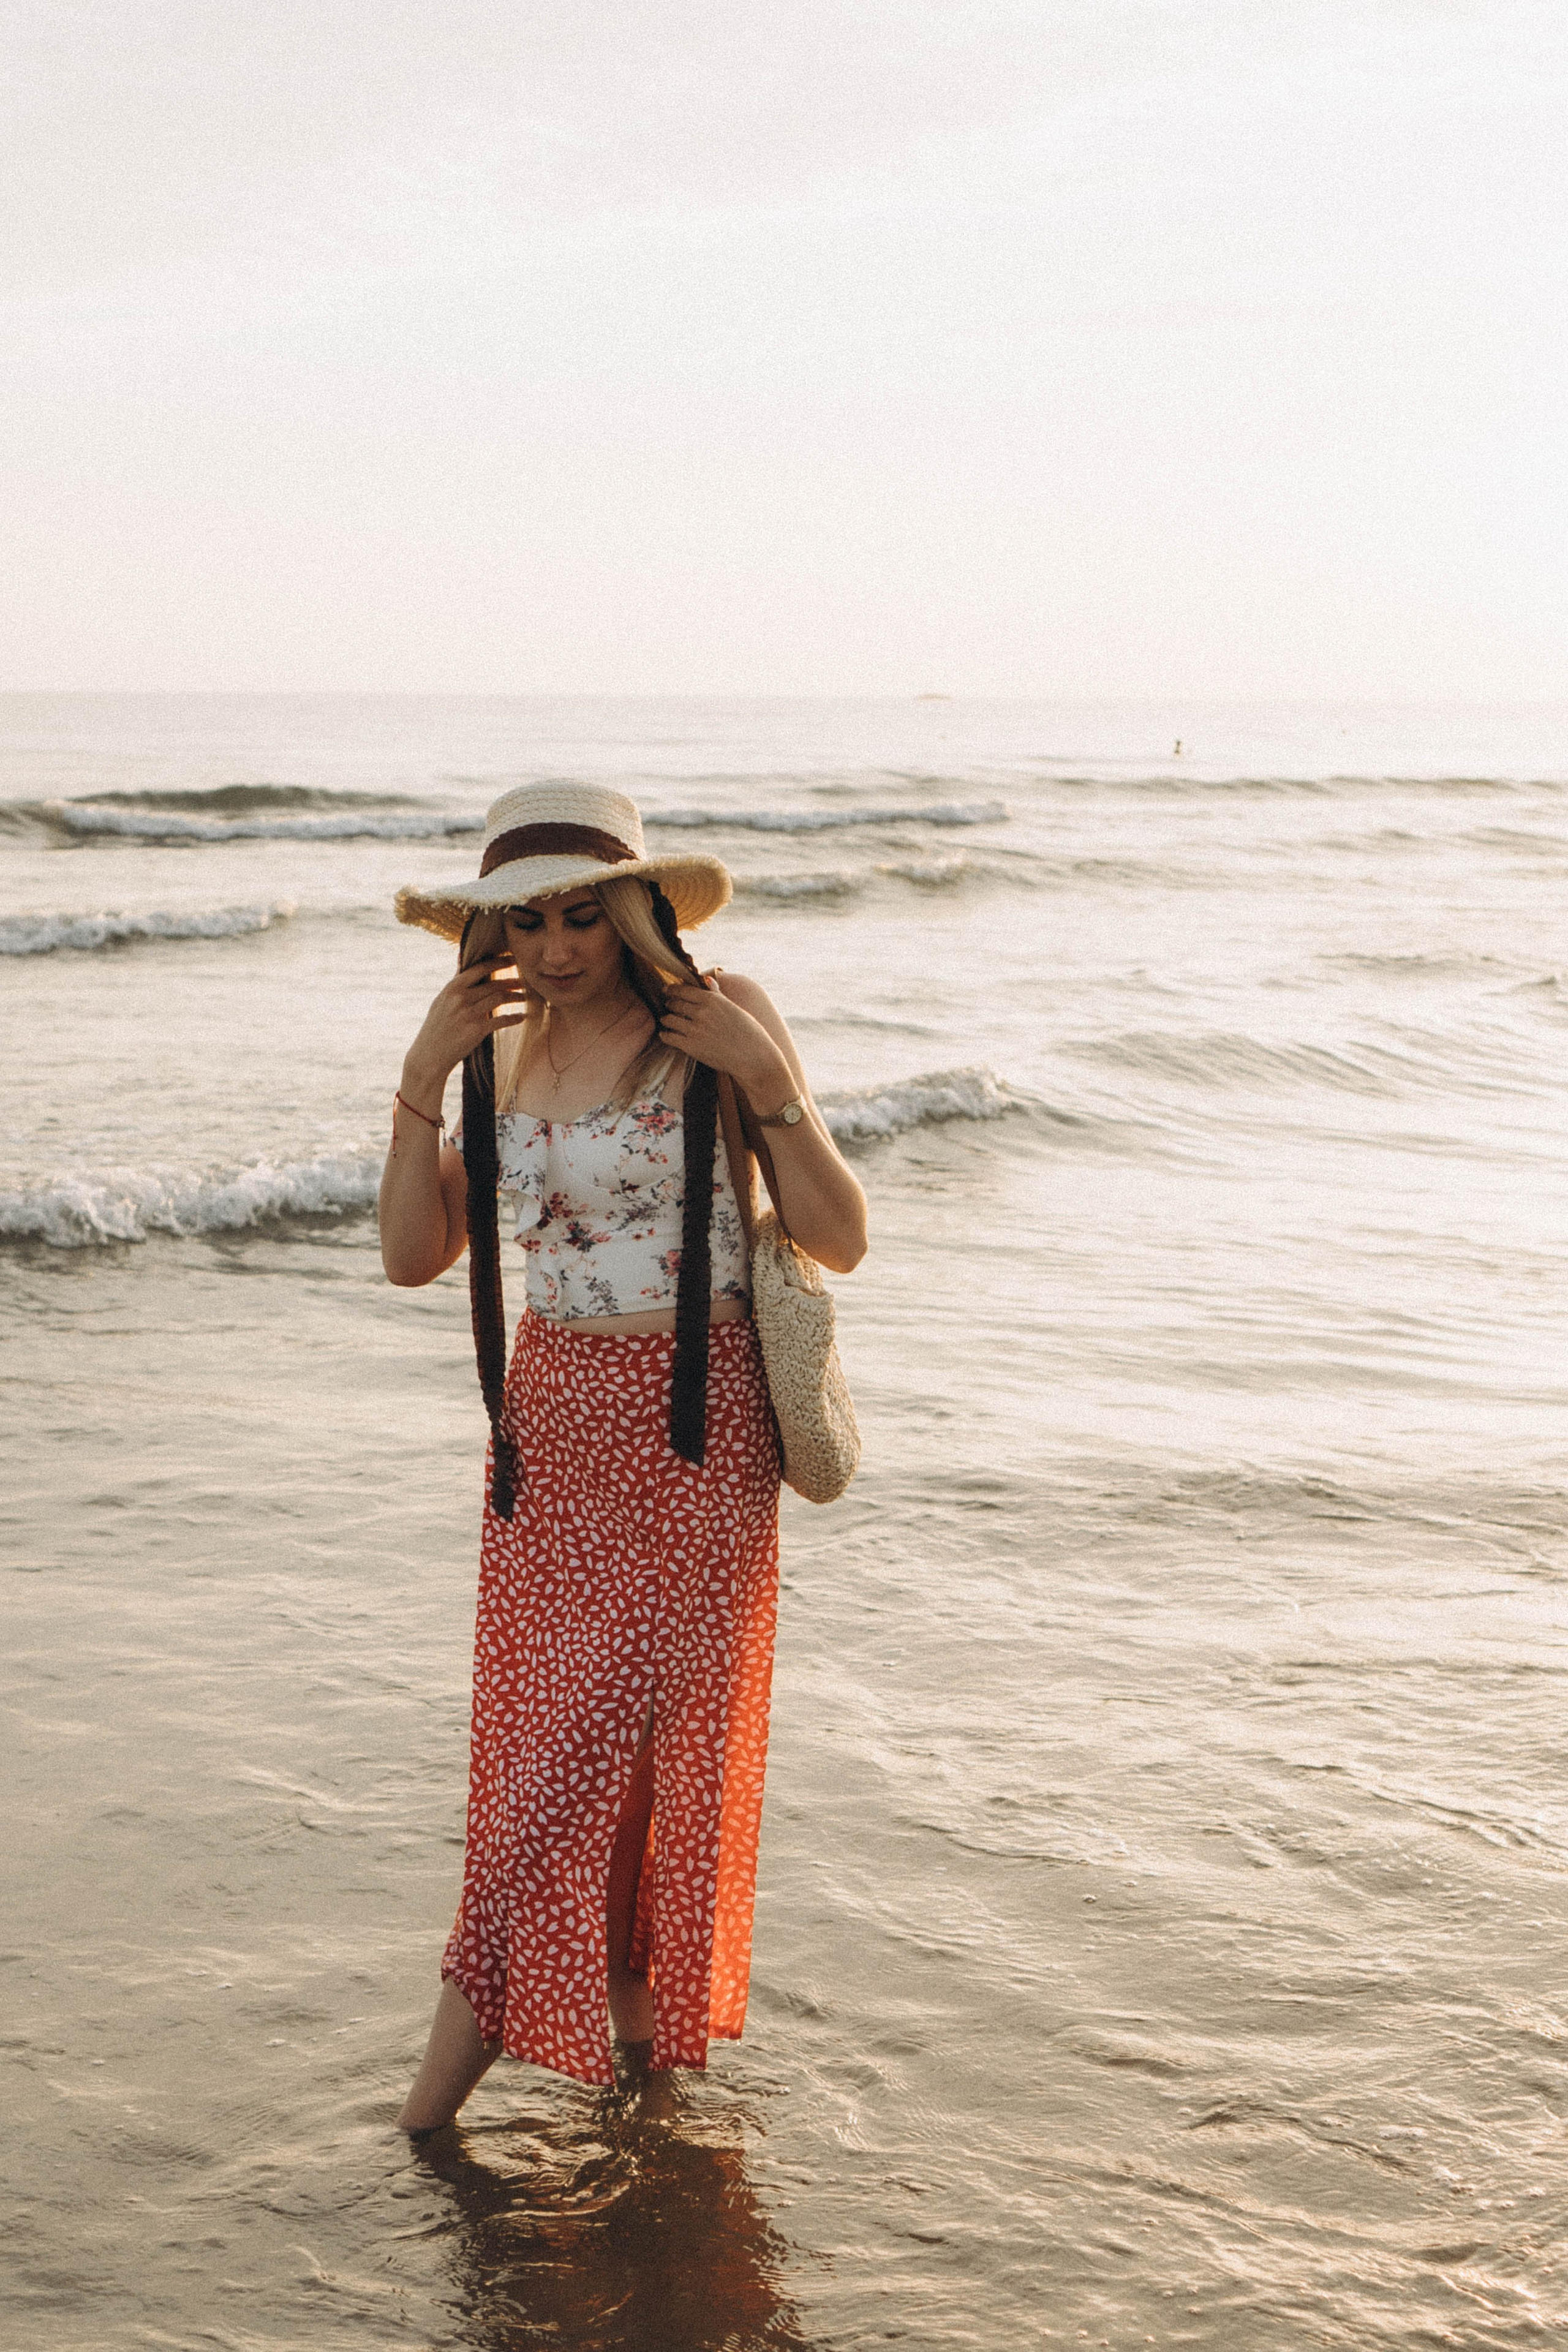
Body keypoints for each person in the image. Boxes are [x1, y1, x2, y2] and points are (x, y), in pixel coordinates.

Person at [379, 783, 868, 2131]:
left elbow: (837, 1233)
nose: (551, 950)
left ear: (635, 908)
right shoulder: (491, 1060)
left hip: (696, 1428)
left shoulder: (719, 1022)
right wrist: (420, 1076)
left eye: (580, 914)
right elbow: (415, 1259)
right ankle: (638, 2083)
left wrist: (768, 1079)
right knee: (558, 1765)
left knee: (615, 1766)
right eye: (522, 923)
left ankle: (426, 2120)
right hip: (548, 1442)